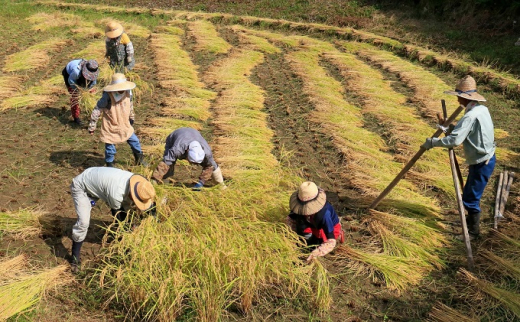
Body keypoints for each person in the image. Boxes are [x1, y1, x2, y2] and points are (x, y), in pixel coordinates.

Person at [421, 75, 496, 240]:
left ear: (463, 97)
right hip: (485, 157)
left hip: (482, 162)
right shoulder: (481, 109)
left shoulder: (470, 115)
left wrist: (432, 142)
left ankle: (473, 233)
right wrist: (451, 127)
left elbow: (455, 140)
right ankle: (467, 222)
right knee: (469, 193)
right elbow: (465, 131)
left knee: (470, 198)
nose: (457, 100)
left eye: (458, 97)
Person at [69, 167, 156, 272]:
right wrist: (128, 232)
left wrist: (154, 219)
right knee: (83, 222)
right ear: (133, 195)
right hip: (82, 186)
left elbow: (148, 206)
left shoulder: (140, 183)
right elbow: (119, 217)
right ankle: (75, 257)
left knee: (127, 214)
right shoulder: (116, 193)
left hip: (96, 178)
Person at [88, 73, 146, 167]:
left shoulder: (128, 92)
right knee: (110, 148)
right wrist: (92, 125)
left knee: (134, 141)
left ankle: (139, 159)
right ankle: (110, 165)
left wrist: (131, 117)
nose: (122, 89)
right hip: (111, 125)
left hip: (124, 123)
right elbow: (98, 109)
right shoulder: (107, 96)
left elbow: (130, 105)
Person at [286, 181, 343, 263]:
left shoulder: (324, 215)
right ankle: (308, 241)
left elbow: (331, 241)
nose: (304, 210)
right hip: (310, 224)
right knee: (304, 235)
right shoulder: (299, 209)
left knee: (319, 244)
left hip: (325, 228)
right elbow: (290, 219)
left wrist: (317, 253)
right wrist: (292, 237)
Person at [151, 127, 225, 190]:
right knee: (169, 163)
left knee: (212, 164)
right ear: (187, 151)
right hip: (175, 136)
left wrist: (201, 182)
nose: (192, 165)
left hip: (194, 134)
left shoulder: (207, 152)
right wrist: (155, 179)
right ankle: (164, 184)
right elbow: (165, 164)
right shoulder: (177, 150)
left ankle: (221, 186)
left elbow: (209, 167)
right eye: (191, 161)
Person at [62, 59, 99, 126]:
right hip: (69, 76)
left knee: (92, 92)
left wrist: (87, 90)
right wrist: (79, 90)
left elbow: (93, 83)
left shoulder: (94, 71)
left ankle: (94, 112)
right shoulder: (76, 71)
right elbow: (71, 81)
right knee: (75, 96)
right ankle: (76, 117)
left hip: (79, 76)